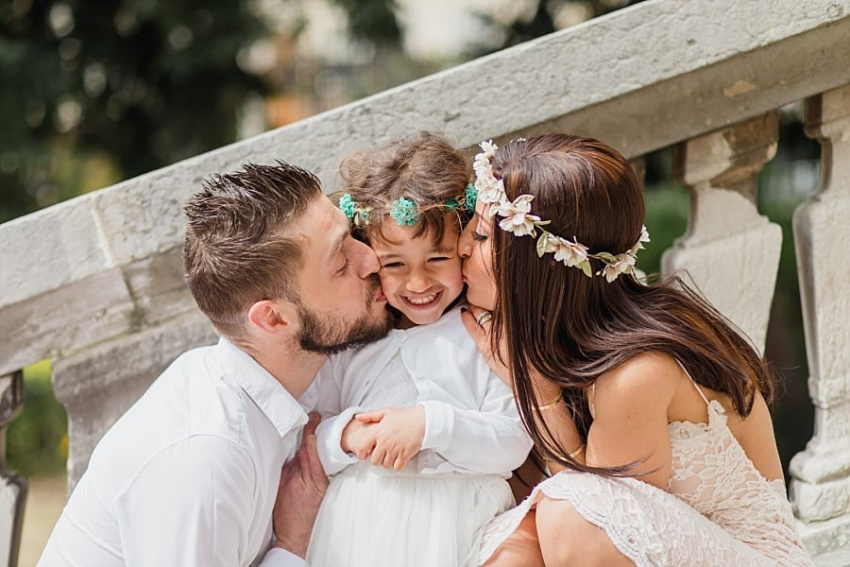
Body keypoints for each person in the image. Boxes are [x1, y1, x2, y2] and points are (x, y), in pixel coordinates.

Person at [457, 135, 813, 566]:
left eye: (479, 235)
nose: (460, 246)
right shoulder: (573, 337)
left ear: (533, 266)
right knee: (510, 546)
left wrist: (536, 390)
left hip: (753, 557)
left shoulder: (636, 372)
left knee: (568, 513)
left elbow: (597, 521)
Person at [39, 162, 394, 566]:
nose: (371, 259)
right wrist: (292, 543)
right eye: (342, 263)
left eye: (350, 236)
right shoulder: (205, 462)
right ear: (273, 319)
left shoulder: (283, 374)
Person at [305, 132, 533, 567]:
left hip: (458, 527)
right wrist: (348, 435)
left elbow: (512, 442)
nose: (418, 283)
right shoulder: (353, 345)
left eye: (437, 259)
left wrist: (432, 424)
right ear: (369, 261)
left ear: (464, 245)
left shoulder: (483, 332)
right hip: (358, 532)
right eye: (395, 265)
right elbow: (311, 441)